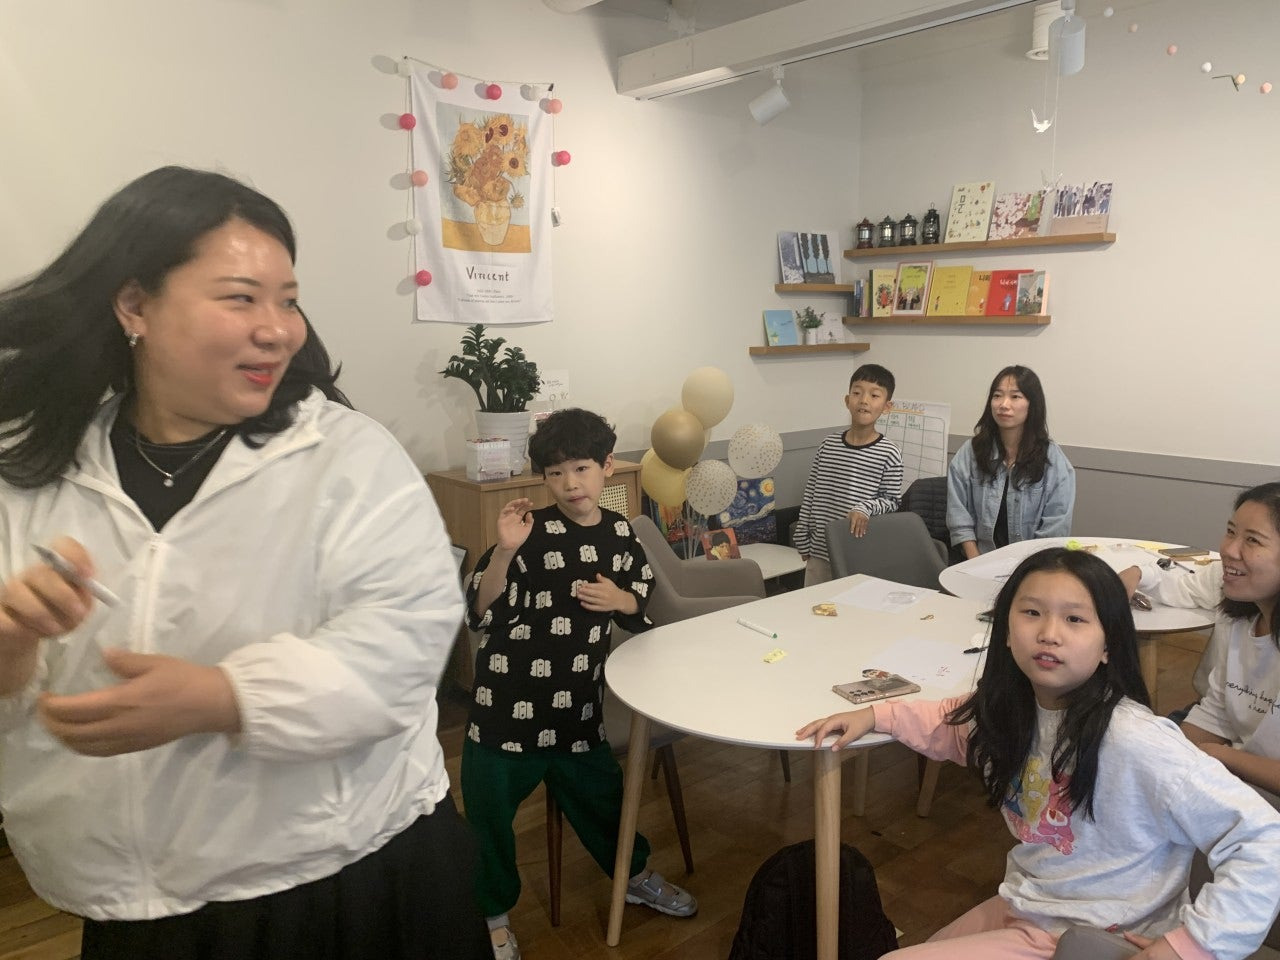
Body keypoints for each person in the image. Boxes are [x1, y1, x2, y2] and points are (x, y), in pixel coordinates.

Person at [0, 167, 488, 959]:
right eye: (241, 298)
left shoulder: (346, 456)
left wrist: (223, 697)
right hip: (141, 903)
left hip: (349, 870)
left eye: (287, 300)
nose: (279, 330)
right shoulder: (35, 476)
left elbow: (409, 641)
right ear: (134, 306)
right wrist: (11, 650)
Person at [797, 548, 1280, 960]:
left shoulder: (1137, 741)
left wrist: (1192, 946)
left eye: (1075, 619)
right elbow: (953, 722)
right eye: (1031, 613)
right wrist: (877, 714)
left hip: (1100, 934)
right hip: (1032, 903)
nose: (1049, 632)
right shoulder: (1013, 709)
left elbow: (1264, 838)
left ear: (1109, 645)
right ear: (1006, 630)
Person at [460, 408, 696, 960]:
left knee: (605, 801)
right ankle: (493, 915)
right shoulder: (527, 531)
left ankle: (632, 876)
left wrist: (622, 600)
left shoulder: (620, 533)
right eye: (556, 473)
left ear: (607, 466)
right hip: (505, 706)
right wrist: (505, 551)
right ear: (544, 477)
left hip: (576, 709)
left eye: (582, 468)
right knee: (488, 817)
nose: (570, 483)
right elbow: (481, 611)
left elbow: (640, 604)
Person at [1169, 483, 1280, 797]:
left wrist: (1221, 757)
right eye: (1231, 532)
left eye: (1252, 540)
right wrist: (1169, 757)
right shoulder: (1241, 617)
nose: (1229, 549)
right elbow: (1217, 712)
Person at [947, 365, 1074, 560]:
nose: (1004, 404)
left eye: (1015, 396)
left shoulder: (1052, 458)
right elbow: (959, 518)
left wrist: (1026, 571)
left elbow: (1055, 527)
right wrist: (977, 564)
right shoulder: (971, 451)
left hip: (1033, 565)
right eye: (997, 396)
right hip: (979, 561)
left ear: (1032, 404)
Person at [792, 363, 903, 585]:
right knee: (815, 604)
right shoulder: (828, 445)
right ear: (847, 400)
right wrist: (802, 535)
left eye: (874, 395)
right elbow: (811, 493)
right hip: (820, 550)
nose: (864, 400)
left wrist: (865, 507)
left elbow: (892, 501)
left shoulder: (889, 452)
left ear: (887, 406)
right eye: (857, 392)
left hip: (859, 552)